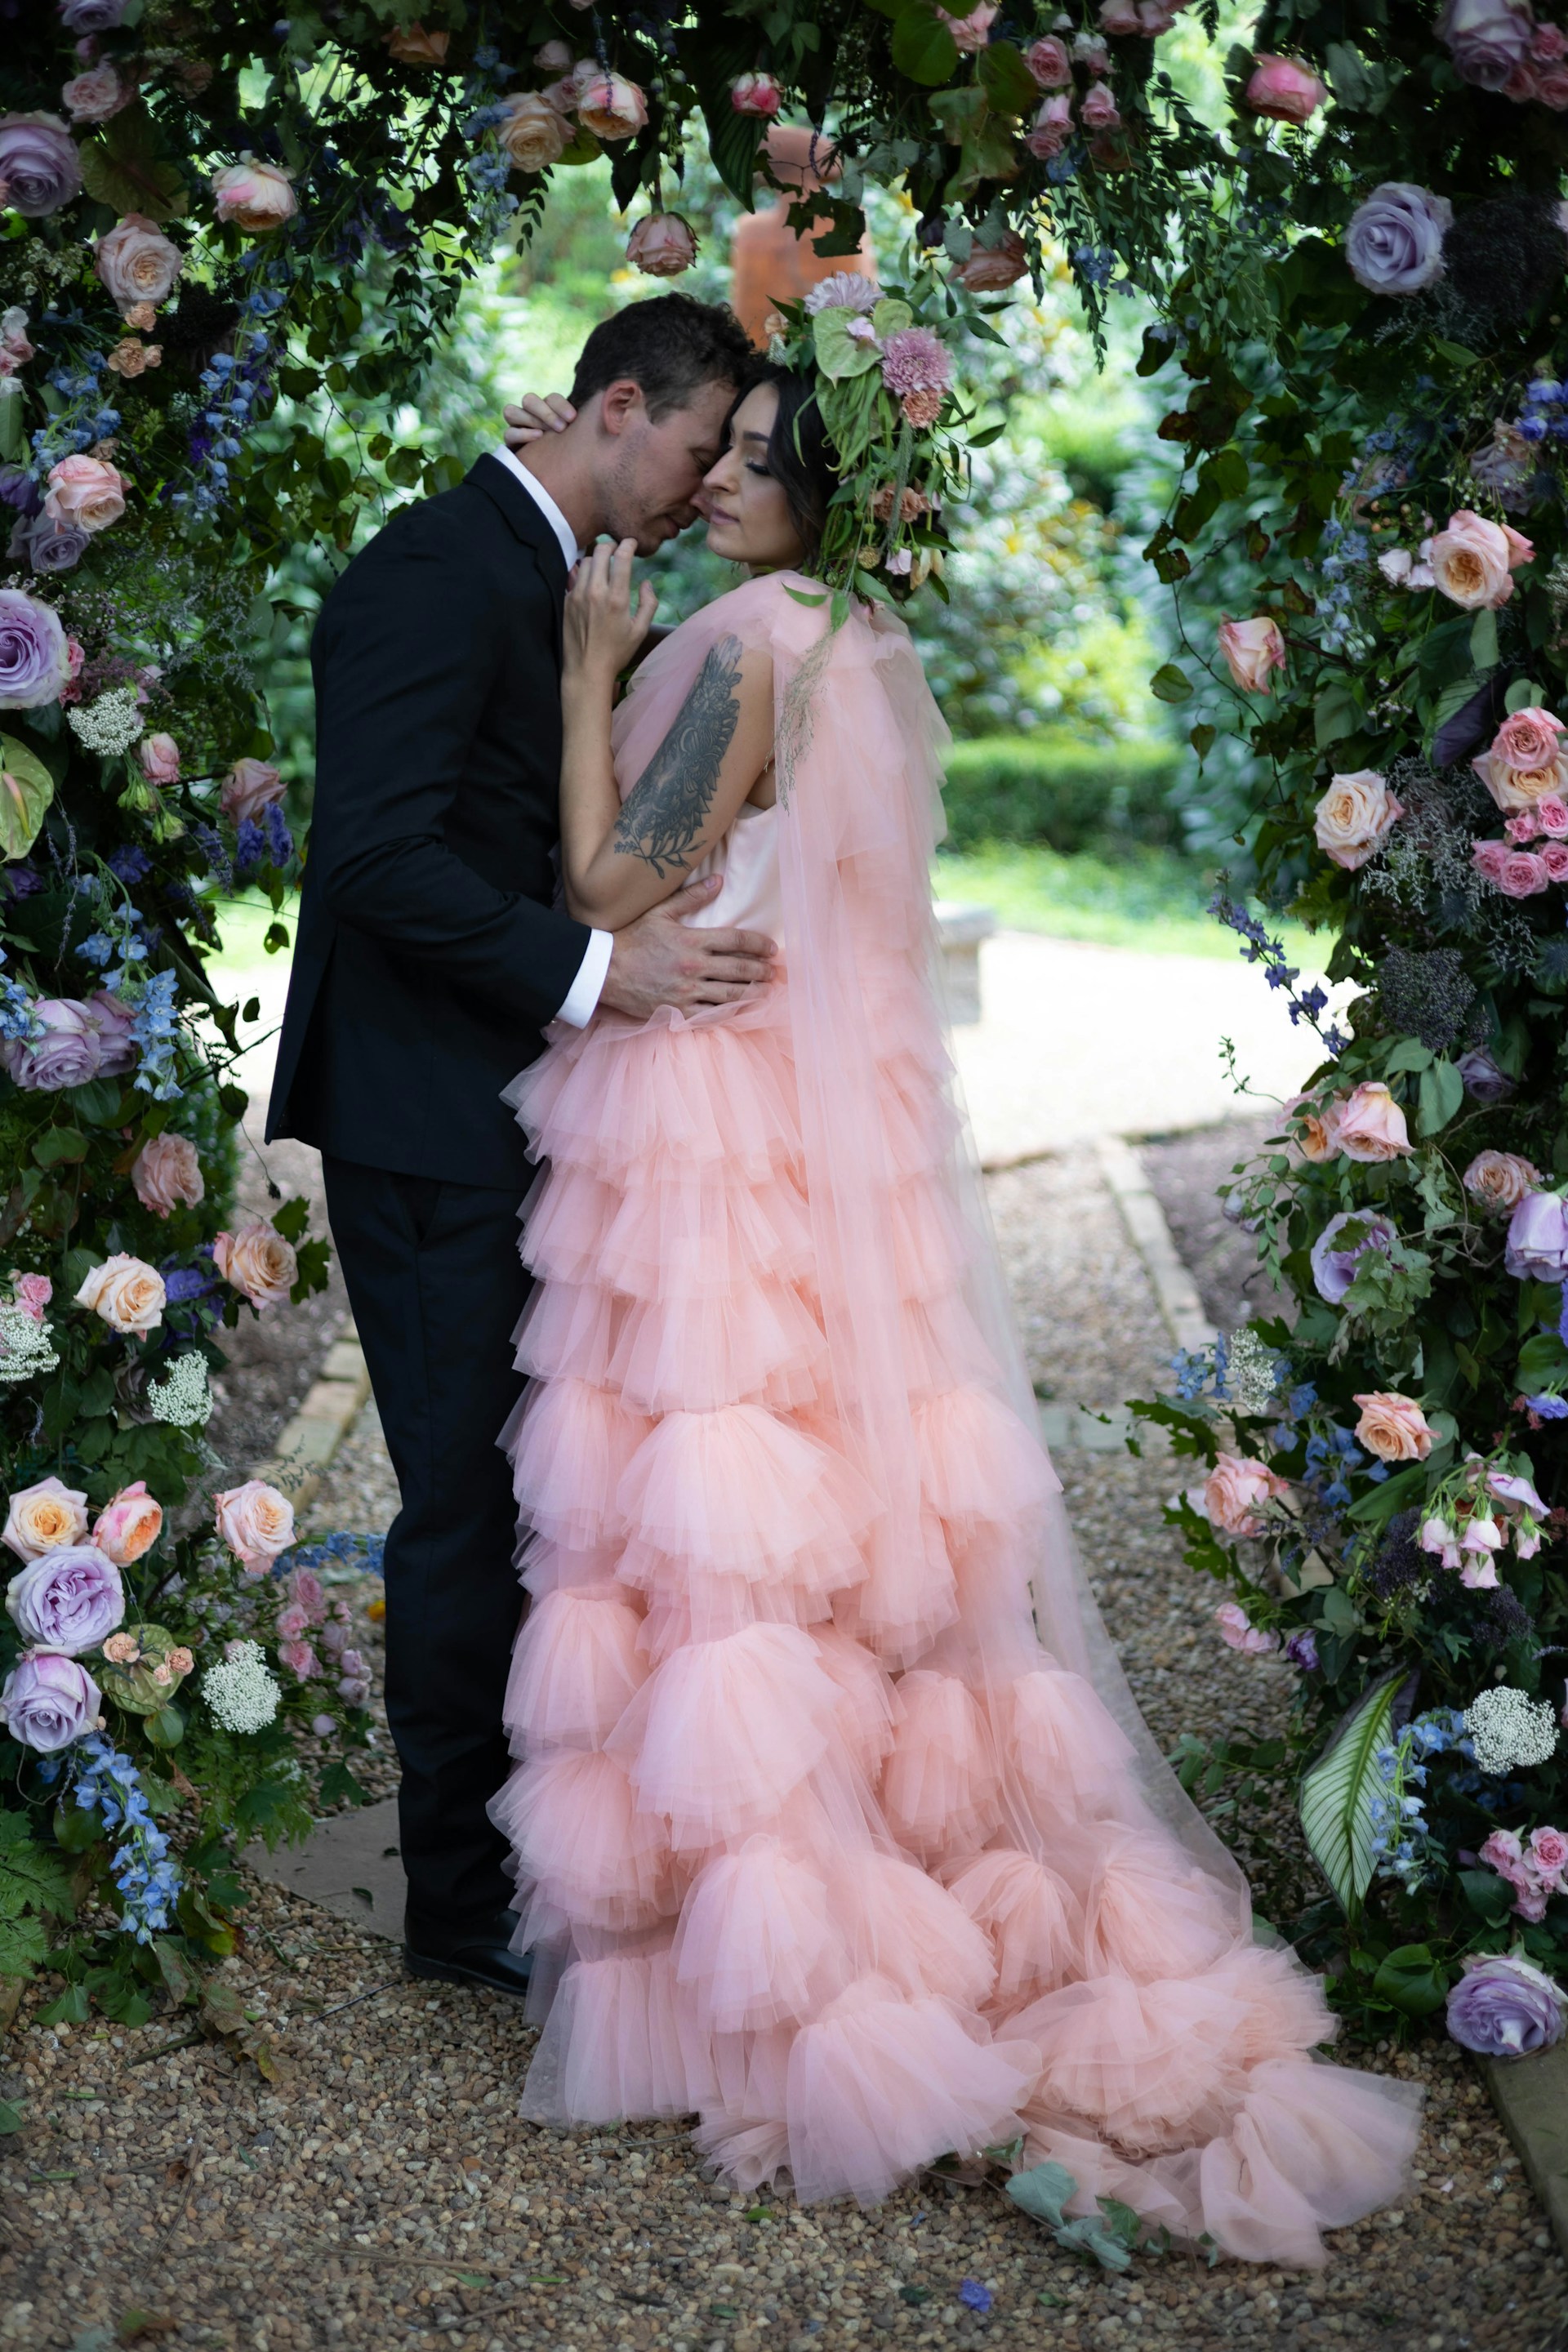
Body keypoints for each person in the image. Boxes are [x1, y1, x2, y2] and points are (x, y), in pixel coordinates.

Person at [488, 357, 1423, 2259]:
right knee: (835, 1503)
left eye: (765, 462)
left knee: (714, 1525)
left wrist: (594, 668)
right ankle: (895, 1881)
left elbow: (605, 880)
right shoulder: (871, 639)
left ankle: (768, 1949)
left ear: (832, 490)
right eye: (726, 452)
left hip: (712, 1121)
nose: (728, 483)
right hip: (851, 1146)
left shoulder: (747, 637)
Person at [267, 295, 775, 1994]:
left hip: (501, 1102)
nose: (697, 490)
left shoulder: (557, 580)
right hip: (420, 1113)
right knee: (463, 1508)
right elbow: (375, 862)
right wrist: (595, 969)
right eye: (698, 449)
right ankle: (453, 1908)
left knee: (513, 1495)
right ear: (619, 402)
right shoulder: (435, 566)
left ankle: (511, 1863)